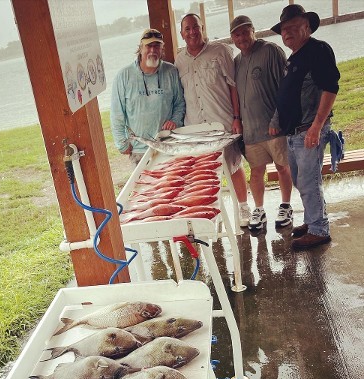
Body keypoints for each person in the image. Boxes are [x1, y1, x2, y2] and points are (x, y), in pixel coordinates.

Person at [270, 4, 340, 250]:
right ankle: (312, 221)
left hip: (309, 130)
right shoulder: (294, 57)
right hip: (293, 132)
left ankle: (319, 229)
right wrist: (276, 120)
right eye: (283, 29)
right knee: (301, 180)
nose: (287, 32)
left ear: (307, 27)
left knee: (309, 182)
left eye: (292, 27)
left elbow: (331, 88)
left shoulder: (318, 50)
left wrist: (316, 127)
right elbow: (287, 93)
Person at [175, 13, 251, 226]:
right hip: (196, 129)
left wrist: (237, 117)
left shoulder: (220, 51)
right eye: (187, 29)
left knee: (233, 166)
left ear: (202, 28)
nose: (192, 32)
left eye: (195, 27)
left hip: (223, 122)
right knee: (205, 173)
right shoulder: (179, 60)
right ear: (182, 34)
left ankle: (243, 208)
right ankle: (211, 214)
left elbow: (233, 86)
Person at [231, 15, 293, 232]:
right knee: (256, 172)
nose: (241, 37)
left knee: (282, 167)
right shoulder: (237, 62)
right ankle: (259, 209)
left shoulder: (270, 51)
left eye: (245, 32)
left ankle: (285, 205)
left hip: (275, 127)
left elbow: (286, 88)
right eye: (237, 34)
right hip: (251, 131)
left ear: (253, 31)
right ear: (232, 38)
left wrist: (277, 119)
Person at [110, 28, 185, 165]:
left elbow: (179, 103)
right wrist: (122, 143)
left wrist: (175, 120)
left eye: (157, 46)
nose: (153, 50)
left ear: (162, 48)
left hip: (168, 145)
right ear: (140, 48)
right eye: (148, 46)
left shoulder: (171, 71)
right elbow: (116, 113)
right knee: (145, 186)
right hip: (139, 150)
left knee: (173, 186)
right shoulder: (123, 76)